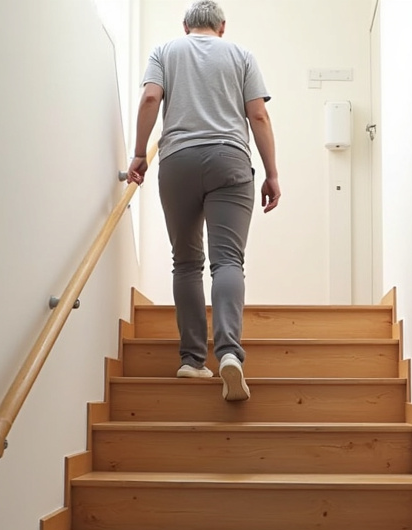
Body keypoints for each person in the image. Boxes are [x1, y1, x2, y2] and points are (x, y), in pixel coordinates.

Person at [127, 0, 281, 402]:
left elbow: (149, 100)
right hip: (230, 159)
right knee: (228, 260)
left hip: (177, 159)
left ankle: (193, 359)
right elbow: (259, 116)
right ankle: (229, 353)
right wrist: (272, 173)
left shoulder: (164, 51)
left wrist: (140, 154)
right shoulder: (241, 55)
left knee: (187, 261)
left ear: (185, 26)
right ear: (222, 27)